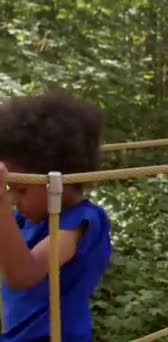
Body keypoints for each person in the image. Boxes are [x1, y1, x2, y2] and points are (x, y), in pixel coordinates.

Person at [0, 92, 112, 341]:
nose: (13, 199)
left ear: (59, 182)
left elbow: (23, 274)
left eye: (21, 189)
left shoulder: (79, 224)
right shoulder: (26, 219)